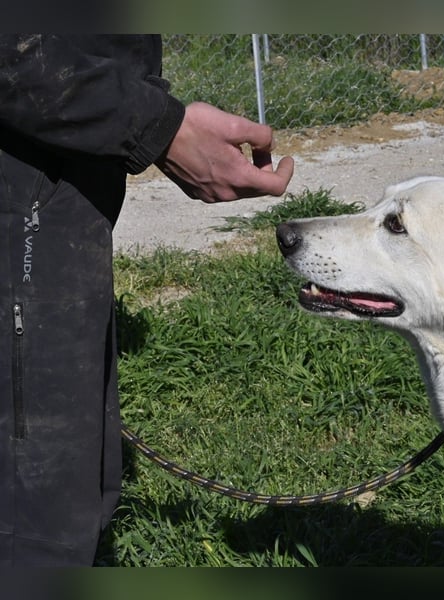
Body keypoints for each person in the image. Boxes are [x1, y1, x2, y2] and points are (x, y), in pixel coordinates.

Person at [0, 34, 294, 566]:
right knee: (35, 514)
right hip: (24, 150)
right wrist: (158, 126)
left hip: (64, 146)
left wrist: (148, 121)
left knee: (81, 483)